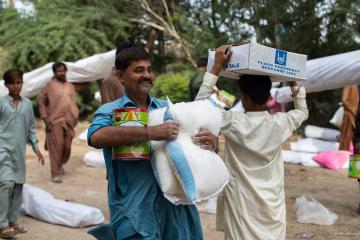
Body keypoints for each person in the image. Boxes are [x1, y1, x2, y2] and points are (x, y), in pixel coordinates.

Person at [87, 47, 203, 240]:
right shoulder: (110, 111)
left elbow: (190, 140)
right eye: (139, 70)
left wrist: (205, 140)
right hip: (134, 211)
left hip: (173, 209)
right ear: (120, 76)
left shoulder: (167, 108)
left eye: (149, 69)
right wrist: (150, 132)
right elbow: (96, 137)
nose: (147, 75)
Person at [195, 45, 308, 240]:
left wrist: (215, 69)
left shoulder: (232, 122)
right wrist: (292, 82)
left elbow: (199, 107)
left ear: (243, 96)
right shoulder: (280, 123)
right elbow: (302, 112)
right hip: (271, 207)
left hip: (241, 205)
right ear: (268, 97)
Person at [0, 69, 44, 238]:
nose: (16, 86)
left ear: (22, 83)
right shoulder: (2, 103)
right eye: (12, 83)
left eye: (18, 82)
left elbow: (31, 129)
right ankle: (2, 224)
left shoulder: (27, 105)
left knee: (18, 186)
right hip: (3, 149)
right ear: (6, 85)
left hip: (19, 152)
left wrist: (36, 147)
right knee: (6, 184)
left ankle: (12, 220)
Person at [39, 62, 79, 183]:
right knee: (57, 145)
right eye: (58, 71)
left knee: (66, 146)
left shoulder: (70, 86)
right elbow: (42, 102)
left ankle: (60, 164)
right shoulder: (49, 85)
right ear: (54, 72)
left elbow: (72, 103)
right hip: (55, 120)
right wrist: (45, 118)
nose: (61, 73)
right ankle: (55, 173)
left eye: (63, 70)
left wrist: (75, 116)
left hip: (69, 121)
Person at [339, 85, 359, 151]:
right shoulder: (350, 83)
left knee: (356, 144)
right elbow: (344, 100)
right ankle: (348, 160)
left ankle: (355, 161)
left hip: (357, 118)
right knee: (349, 143)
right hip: (350, 118)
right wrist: (354, 111)